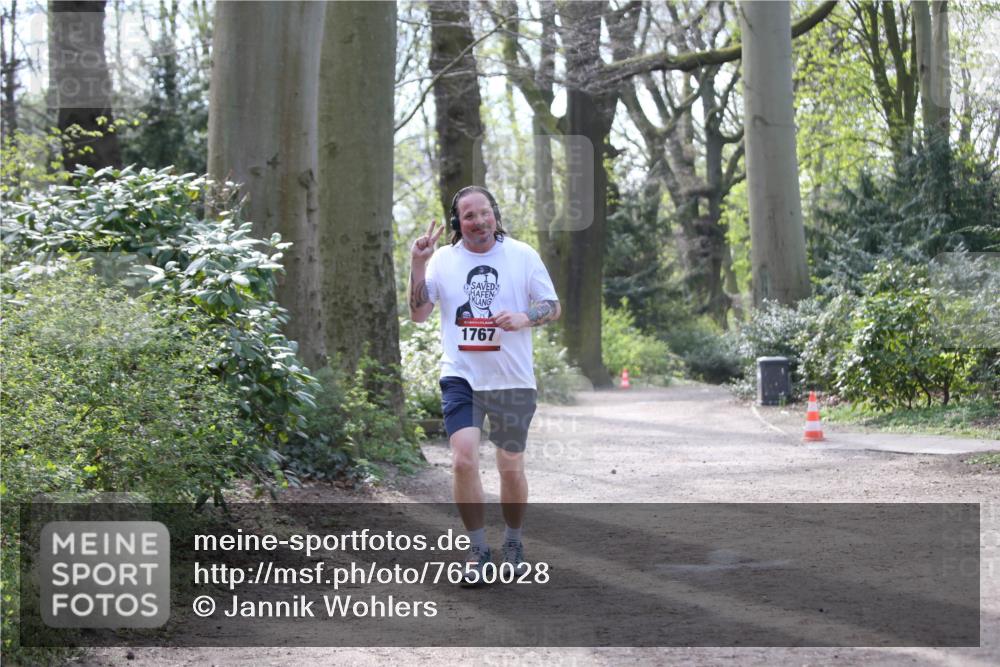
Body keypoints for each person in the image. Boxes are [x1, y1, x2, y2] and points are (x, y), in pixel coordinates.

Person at [408, 185, 560, 586]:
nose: (479, 221)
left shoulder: (522, 255)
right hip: (461, 376)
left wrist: (526, 317)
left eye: (485, 212)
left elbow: (552, 305)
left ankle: (513, 541)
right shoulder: (443, 260)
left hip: (512, 380)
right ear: (458, 222)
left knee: (510, 467)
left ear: (495, 214)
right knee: (462, 459)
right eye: (469, 215)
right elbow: (419, 315)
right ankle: (476, 549)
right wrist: (418, 265)